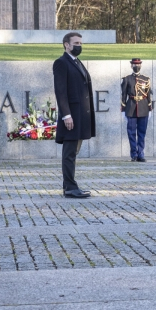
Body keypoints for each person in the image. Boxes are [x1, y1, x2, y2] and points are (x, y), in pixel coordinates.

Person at [53, 32, 96, 199]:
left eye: (80, 42)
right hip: (71, 116)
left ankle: (68, 185)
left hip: (81, 116)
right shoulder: (61, 63)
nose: (79, 45)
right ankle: (70, 187)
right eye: (76, 43)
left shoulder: (77, 62)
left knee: (73, 152)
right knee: (69, 153)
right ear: (66, 45)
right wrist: (66, 115)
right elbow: (60, 92)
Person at [121, 58, 153, 162]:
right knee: (131, 133)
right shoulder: (127, 79)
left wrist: (150, 108)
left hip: (143, 108)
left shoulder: (146, 79)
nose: (136, 66)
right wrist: (123, 109)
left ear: (141, 66)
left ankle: (141, 154)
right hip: (131, 108)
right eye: (134, 65)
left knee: (142, 133)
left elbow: (148, 95)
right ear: (131, 66)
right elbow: (124, 95)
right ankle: (133, 154)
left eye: (138, 64)